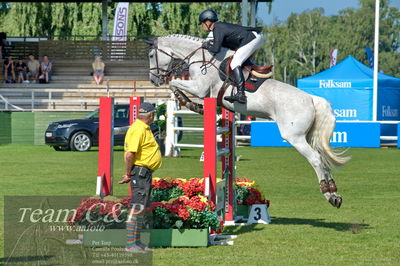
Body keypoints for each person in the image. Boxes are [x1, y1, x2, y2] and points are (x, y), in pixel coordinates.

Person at [118, 102, 162, 253]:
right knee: (137, 207)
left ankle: (136, 242)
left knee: (141, 207)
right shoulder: (138, 129)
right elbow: (130, 154)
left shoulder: (143, 128)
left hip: (144, 173)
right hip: (140, 173)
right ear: (150, 115)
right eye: (154, 114)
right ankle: (130, 244)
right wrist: (128, 173)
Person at [199, 9, 264, 104]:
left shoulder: (217, 28)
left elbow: (216, 49)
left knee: (235, 62)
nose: (202, 26)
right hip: (254, 37)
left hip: (252, 38)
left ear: (208, 21)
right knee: (237, 59)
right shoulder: (219, 27)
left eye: (202, 23)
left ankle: (241, 94)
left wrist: (207, 46)